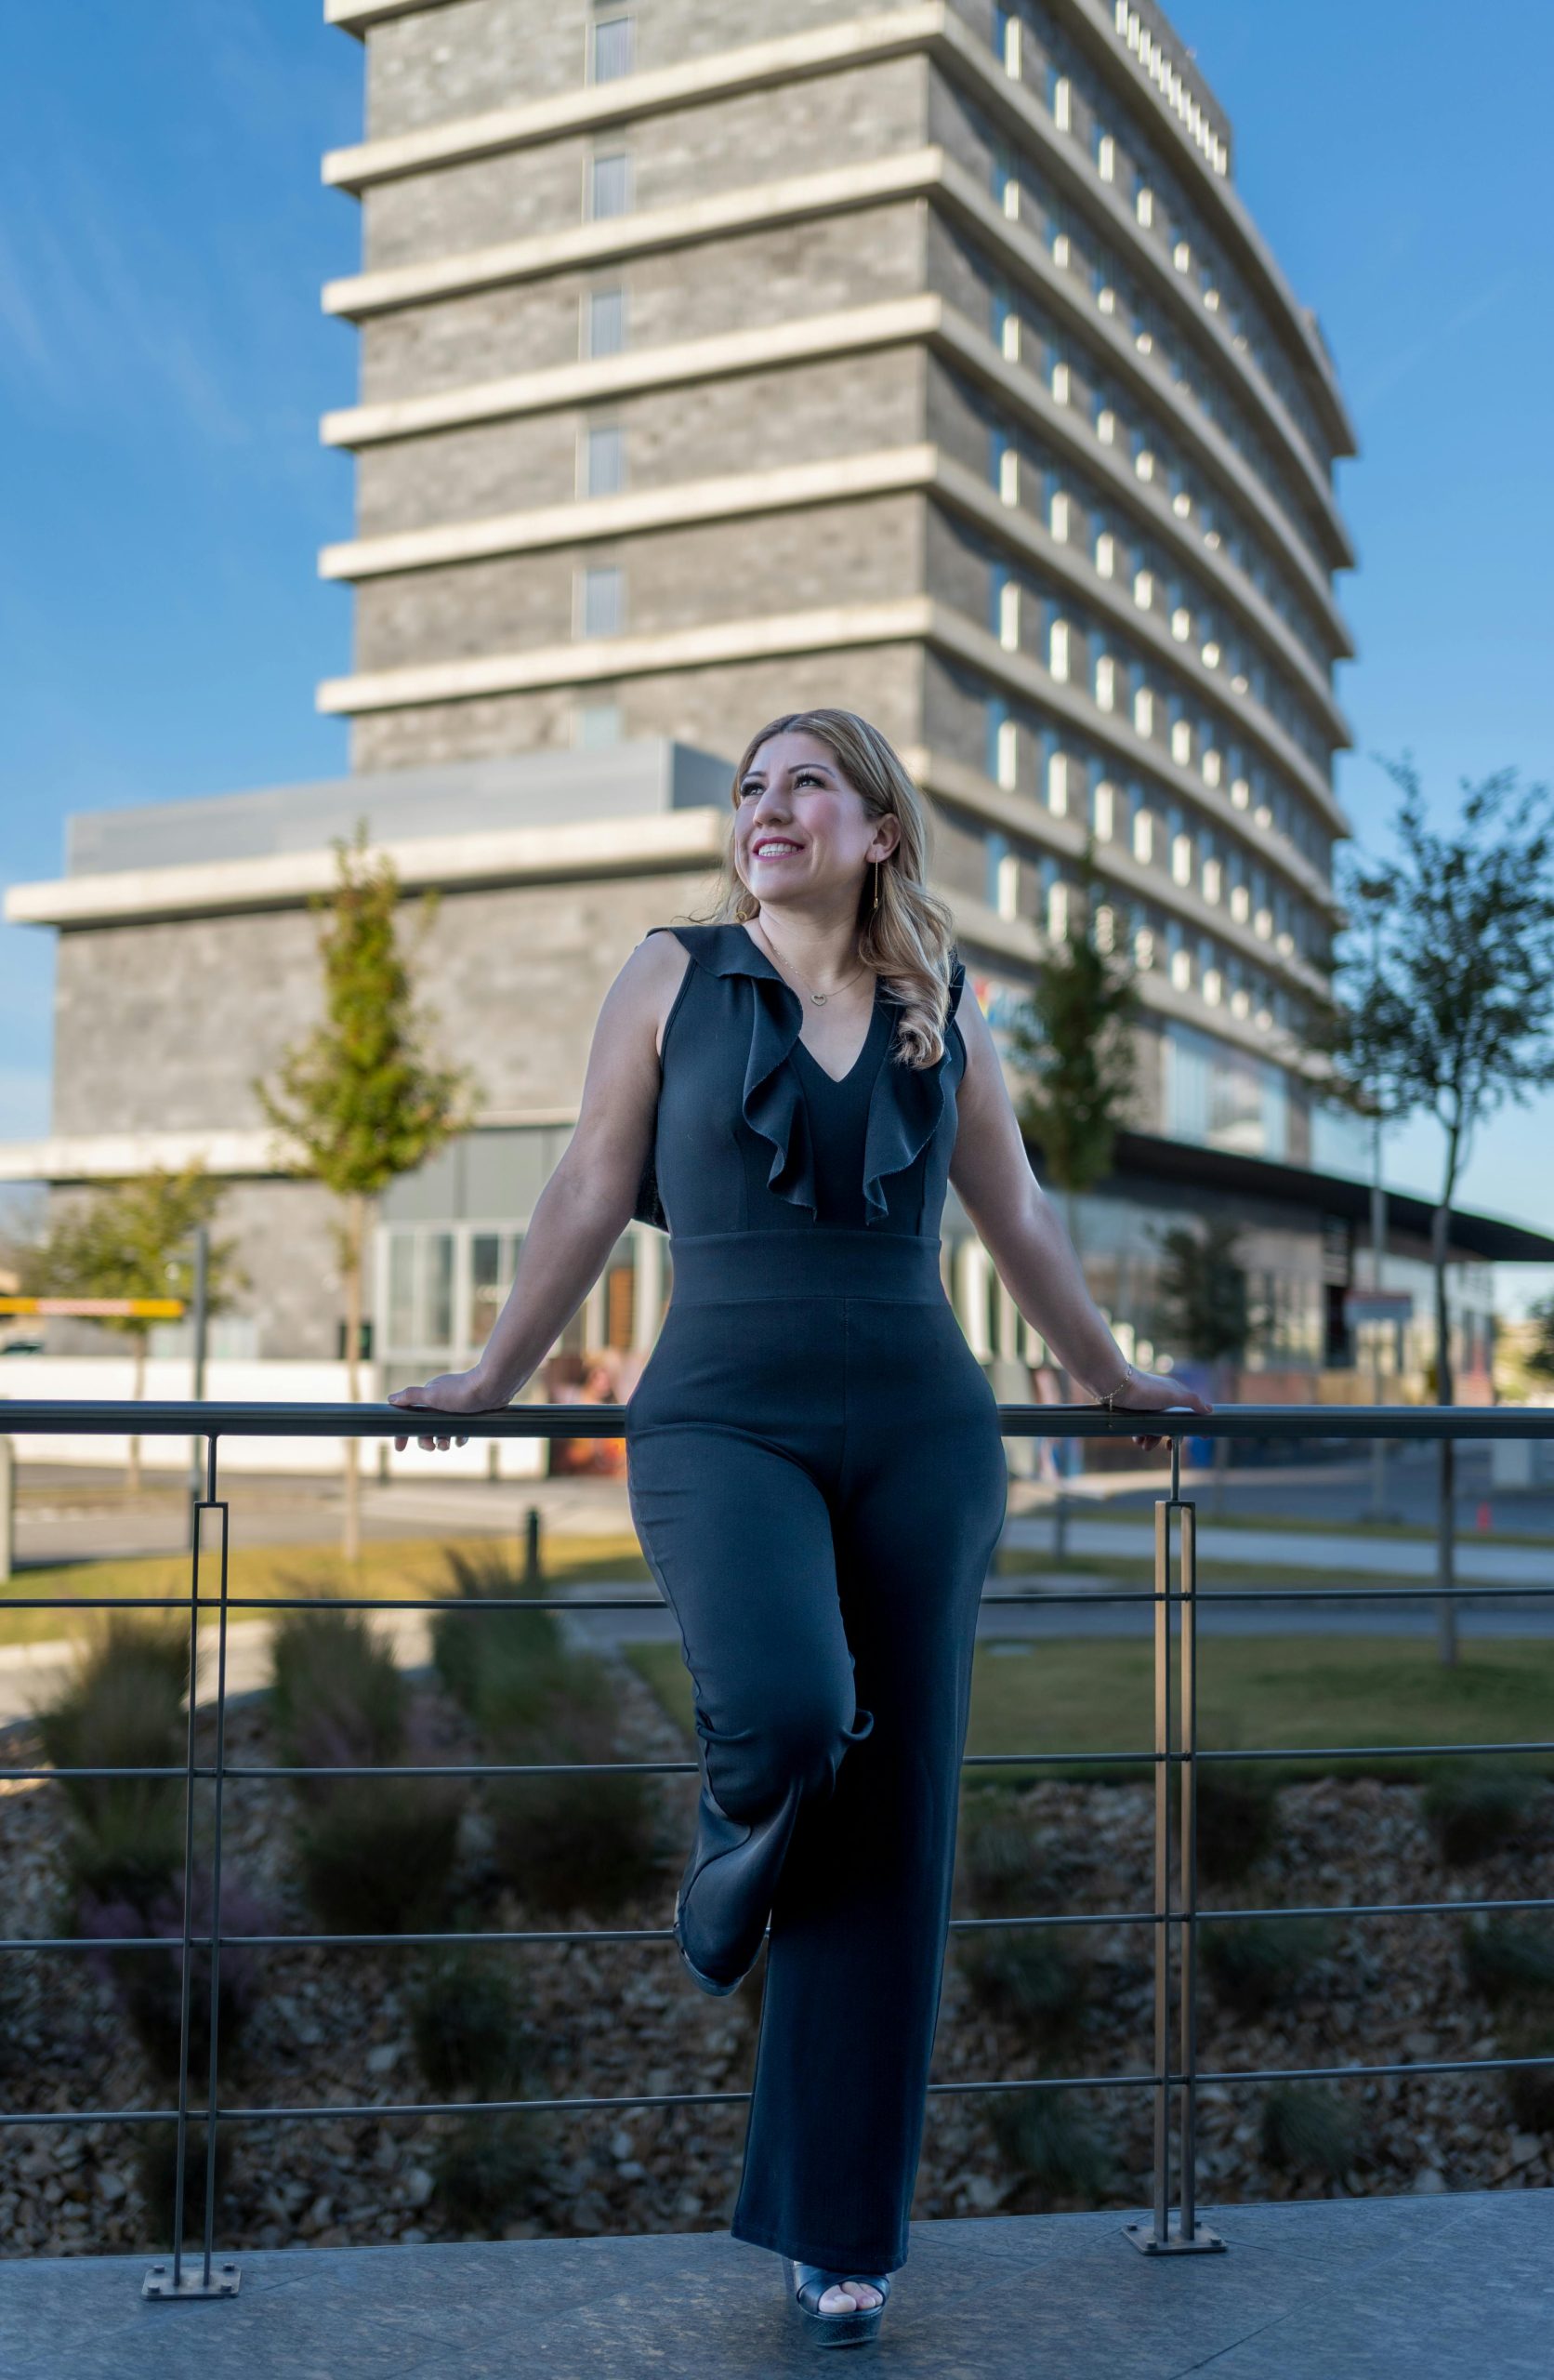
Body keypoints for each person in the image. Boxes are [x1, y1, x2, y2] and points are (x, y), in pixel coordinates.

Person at [388, 707, 1208, 2347]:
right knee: (783, 1712)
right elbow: (585, 1185)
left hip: (925, 1434)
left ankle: (841, 2237)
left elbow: (1019, 1213)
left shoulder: (946, 1017)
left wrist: (1112, 1376)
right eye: (750, 791)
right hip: (722, 1420)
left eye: (804, 785)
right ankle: (726, 1876)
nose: (767, 810)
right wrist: (491, 1374)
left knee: (893, 1833)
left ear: (878, 828)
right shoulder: (672, 975)